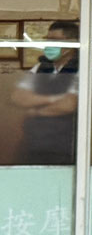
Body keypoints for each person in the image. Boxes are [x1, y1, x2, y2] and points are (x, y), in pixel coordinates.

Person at [9, 20, 83, 165]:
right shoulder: (40, 68)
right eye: (48, 40)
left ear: (71, 43)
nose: (49, 44)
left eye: (54, 40)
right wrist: (54, 99)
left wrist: (35, 111)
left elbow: (68, 105)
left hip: (67, 150)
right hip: (32, 146)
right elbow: (18, 97)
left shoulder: (83, 69)